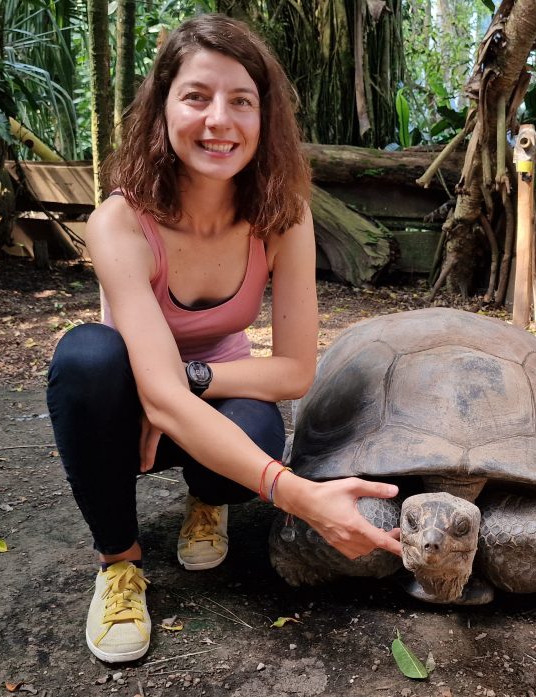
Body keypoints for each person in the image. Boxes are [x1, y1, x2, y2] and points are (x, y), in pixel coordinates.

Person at [46, 14, 402, 664]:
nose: (220, 119)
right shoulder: (119, 222)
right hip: (125, 407)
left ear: (265, 119)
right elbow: (153, 392)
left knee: (260, 429)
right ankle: (119, 561)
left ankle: (210, 497)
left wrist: (196, 380)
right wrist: (302, 496)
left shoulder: (283, 216)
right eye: (197, 97)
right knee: (86, 359)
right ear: (162, 110)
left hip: (209, 394)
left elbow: (295, 370)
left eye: (242, 101)